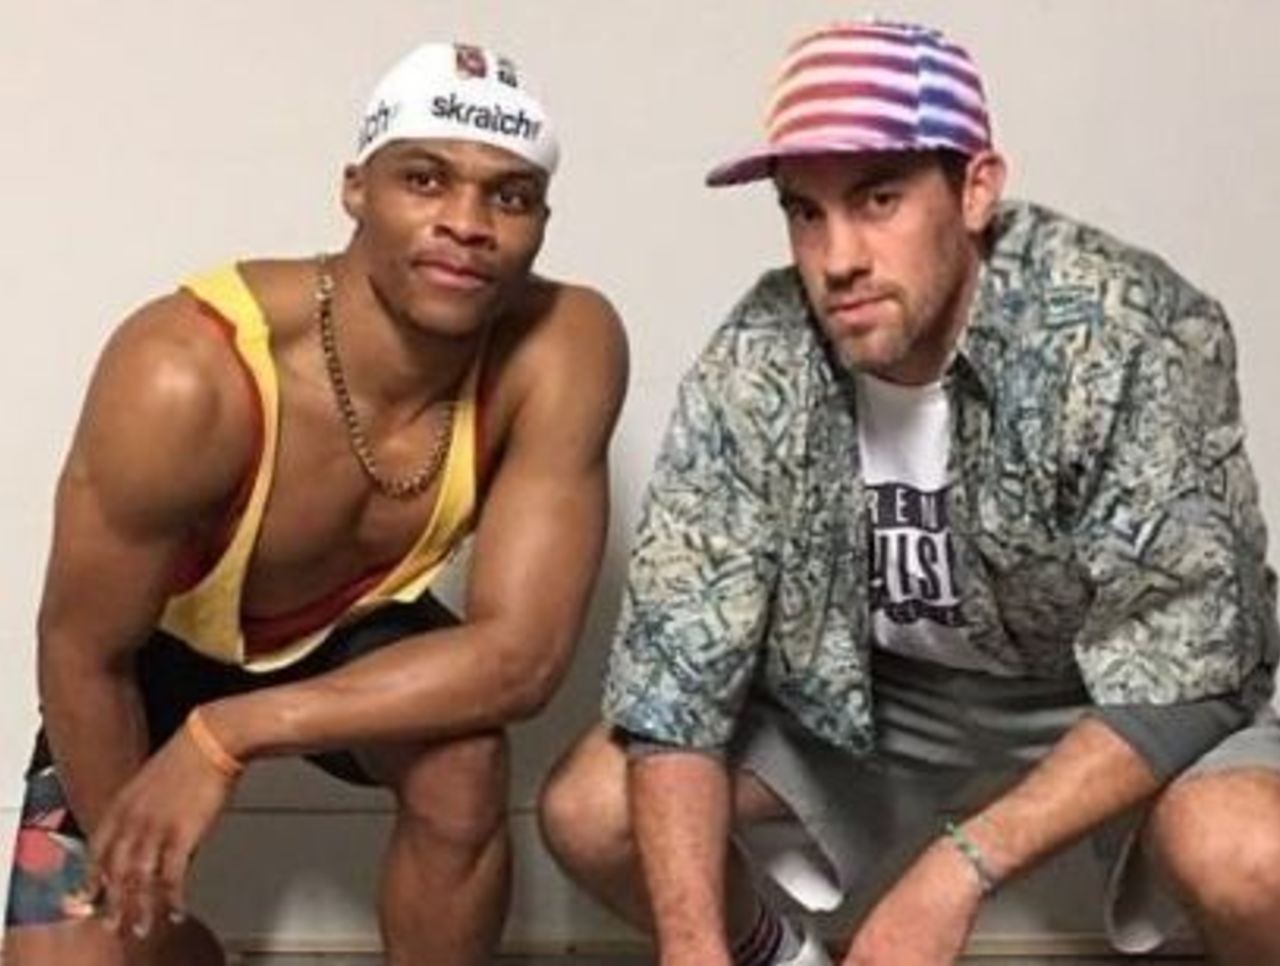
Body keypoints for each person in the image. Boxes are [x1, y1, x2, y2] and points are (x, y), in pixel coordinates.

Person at [539, 19, 1280, 966]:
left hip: (1098, 689)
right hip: (873, 699)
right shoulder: (758, 358)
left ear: (976, 189)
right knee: (592, 809)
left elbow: (1196, 660)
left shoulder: (1121, 332)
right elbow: (675, 680)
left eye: (878, 198)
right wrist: (695, 953)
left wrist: (953, 872)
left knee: (1249, 856)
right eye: (805, 212)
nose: (837, 257)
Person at [3, 39, 627, 966]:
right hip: (154, 656)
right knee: (94, 955)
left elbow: (521, 661)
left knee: (463, 760)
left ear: (541, 220)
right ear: (355, 189)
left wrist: (228, 735)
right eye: (425, 179)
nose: (467, 223)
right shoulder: (187, 371)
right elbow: (82, 651)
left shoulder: (562, 344)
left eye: (509, 196)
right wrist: (142, 899)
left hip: (352, 631)